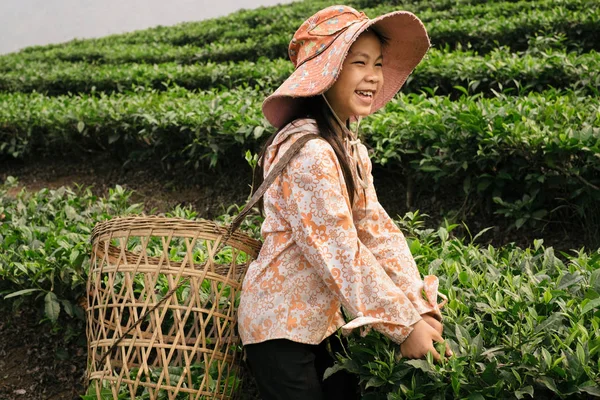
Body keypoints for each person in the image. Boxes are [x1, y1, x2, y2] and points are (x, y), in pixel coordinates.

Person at [237, 5, 450, 400]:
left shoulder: (347, 147)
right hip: (280, 329)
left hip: (323, 323)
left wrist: (418, 305)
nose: (373, 75)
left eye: (378, 64)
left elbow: (378, 232)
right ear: (329, 72)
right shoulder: (311, 153)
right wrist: (402, 324)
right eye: (359, 63)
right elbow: (340, 252)